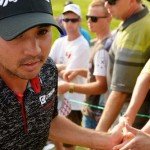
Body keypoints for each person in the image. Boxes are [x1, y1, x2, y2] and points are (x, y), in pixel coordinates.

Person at [0, 0, 124, 149]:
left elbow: (47, 120)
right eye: (17, 34)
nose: (35, 51)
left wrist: (104, 140)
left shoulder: (47, 70)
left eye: (42, 31)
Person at [96, 0, 150, 132]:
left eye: (112, 1)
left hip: (131, 127)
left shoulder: (134, 33)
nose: (107, 5)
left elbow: (120, 92)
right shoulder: (140, 17)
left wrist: (98, 135)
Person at [58, 0, 113, 129]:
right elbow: (101, 74)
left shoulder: (102, 49)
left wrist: (69, 86)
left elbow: (101, 86)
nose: (89, 21)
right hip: (97, 110)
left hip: (96, 112)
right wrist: (80, 71)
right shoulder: (100, 42)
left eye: (94, 18)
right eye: (88, 17)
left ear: (109, 18)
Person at [49, 3, 90, 150]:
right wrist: (60, 68)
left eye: (73, 20)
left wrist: (56, 69)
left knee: (68, 143)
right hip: (57, 97)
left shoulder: (82, 45)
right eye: (66, 20)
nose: (69, 24)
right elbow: (46, 68)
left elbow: (67, 76)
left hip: (73, 101)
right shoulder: (59, 42)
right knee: (54, 136)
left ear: (79, 21)